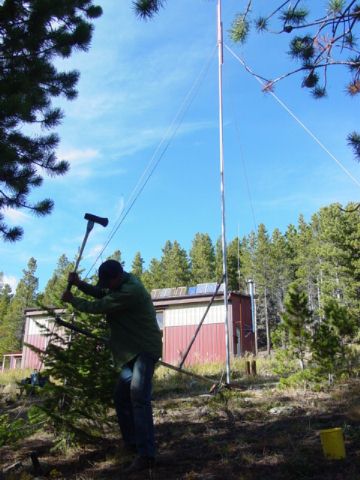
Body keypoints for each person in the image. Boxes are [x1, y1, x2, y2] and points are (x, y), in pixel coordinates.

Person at [61, 259, 163, 474]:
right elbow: (102, 292)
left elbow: (100, 305)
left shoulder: (131, 291)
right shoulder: (120, 283)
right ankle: (132, 443)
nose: (105, 286)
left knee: (139, 398)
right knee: (121, 396)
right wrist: (79, 283)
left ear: (116, 277)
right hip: (131, 351)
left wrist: (73, 299)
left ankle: (147, 455)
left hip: (144, 349)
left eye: (108, 282)